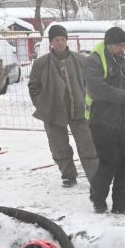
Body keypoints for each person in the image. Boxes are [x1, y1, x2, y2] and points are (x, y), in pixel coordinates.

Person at [84, 26, 125, 215]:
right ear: (109, 44)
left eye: (124, 45)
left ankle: (121, 203)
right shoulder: (94, 60)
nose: (122, 49)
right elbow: (98, 89)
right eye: (118, 46)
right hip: (103, 121)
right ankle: (98, 197)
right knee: (109, 161)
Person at [29, 24, 99, 188]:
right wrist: (41, 102)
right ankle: (68, 175)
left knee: (88, 144)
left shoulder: (81, 60)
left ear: (66, 40)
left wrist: (90, 101)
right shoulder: (41, 63)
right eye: (56, 40)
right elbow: (33, 86)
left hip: (79, 110)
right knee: (58, 146)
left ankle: (95, 177)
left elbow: (93, 83)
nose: (60, 43)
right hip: (53, 111)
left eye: (62, 39)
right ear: (51, 42)